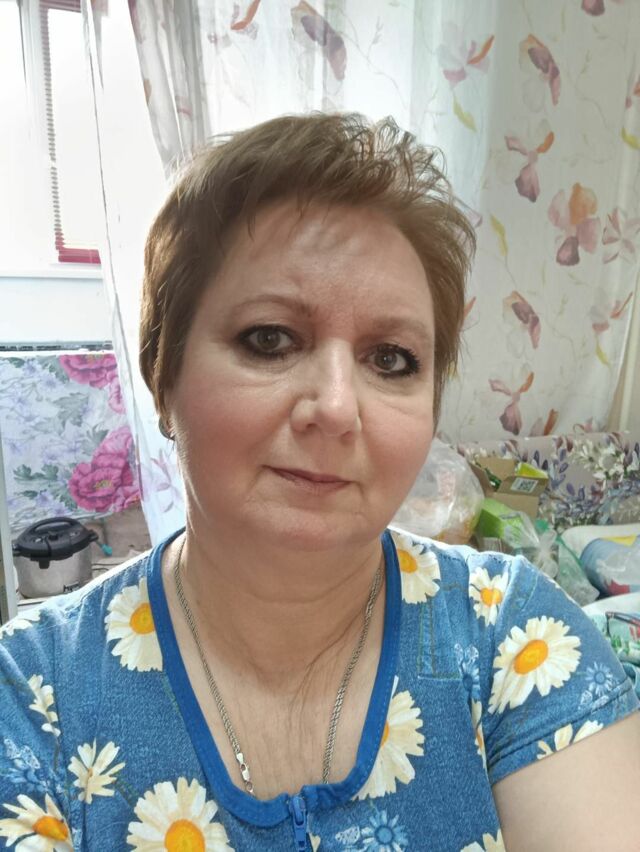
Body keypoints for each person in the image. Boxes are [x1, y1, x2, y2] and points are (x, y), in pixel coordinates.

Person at [1, 113, 639, 852]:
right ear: (163, 375)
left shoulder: (515, 636)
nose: (337, 408)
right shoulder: (32, 695)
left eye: (391, 359)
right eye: (269, 339)